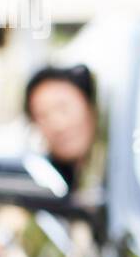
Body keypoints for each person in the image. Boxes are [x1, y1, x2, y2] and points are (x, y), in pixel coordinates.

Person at [23, 64, 97, 192]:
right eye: (42, 116)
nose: (58, 125)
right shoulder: (44, 181)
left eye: (63, 108)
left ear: (89, 104)